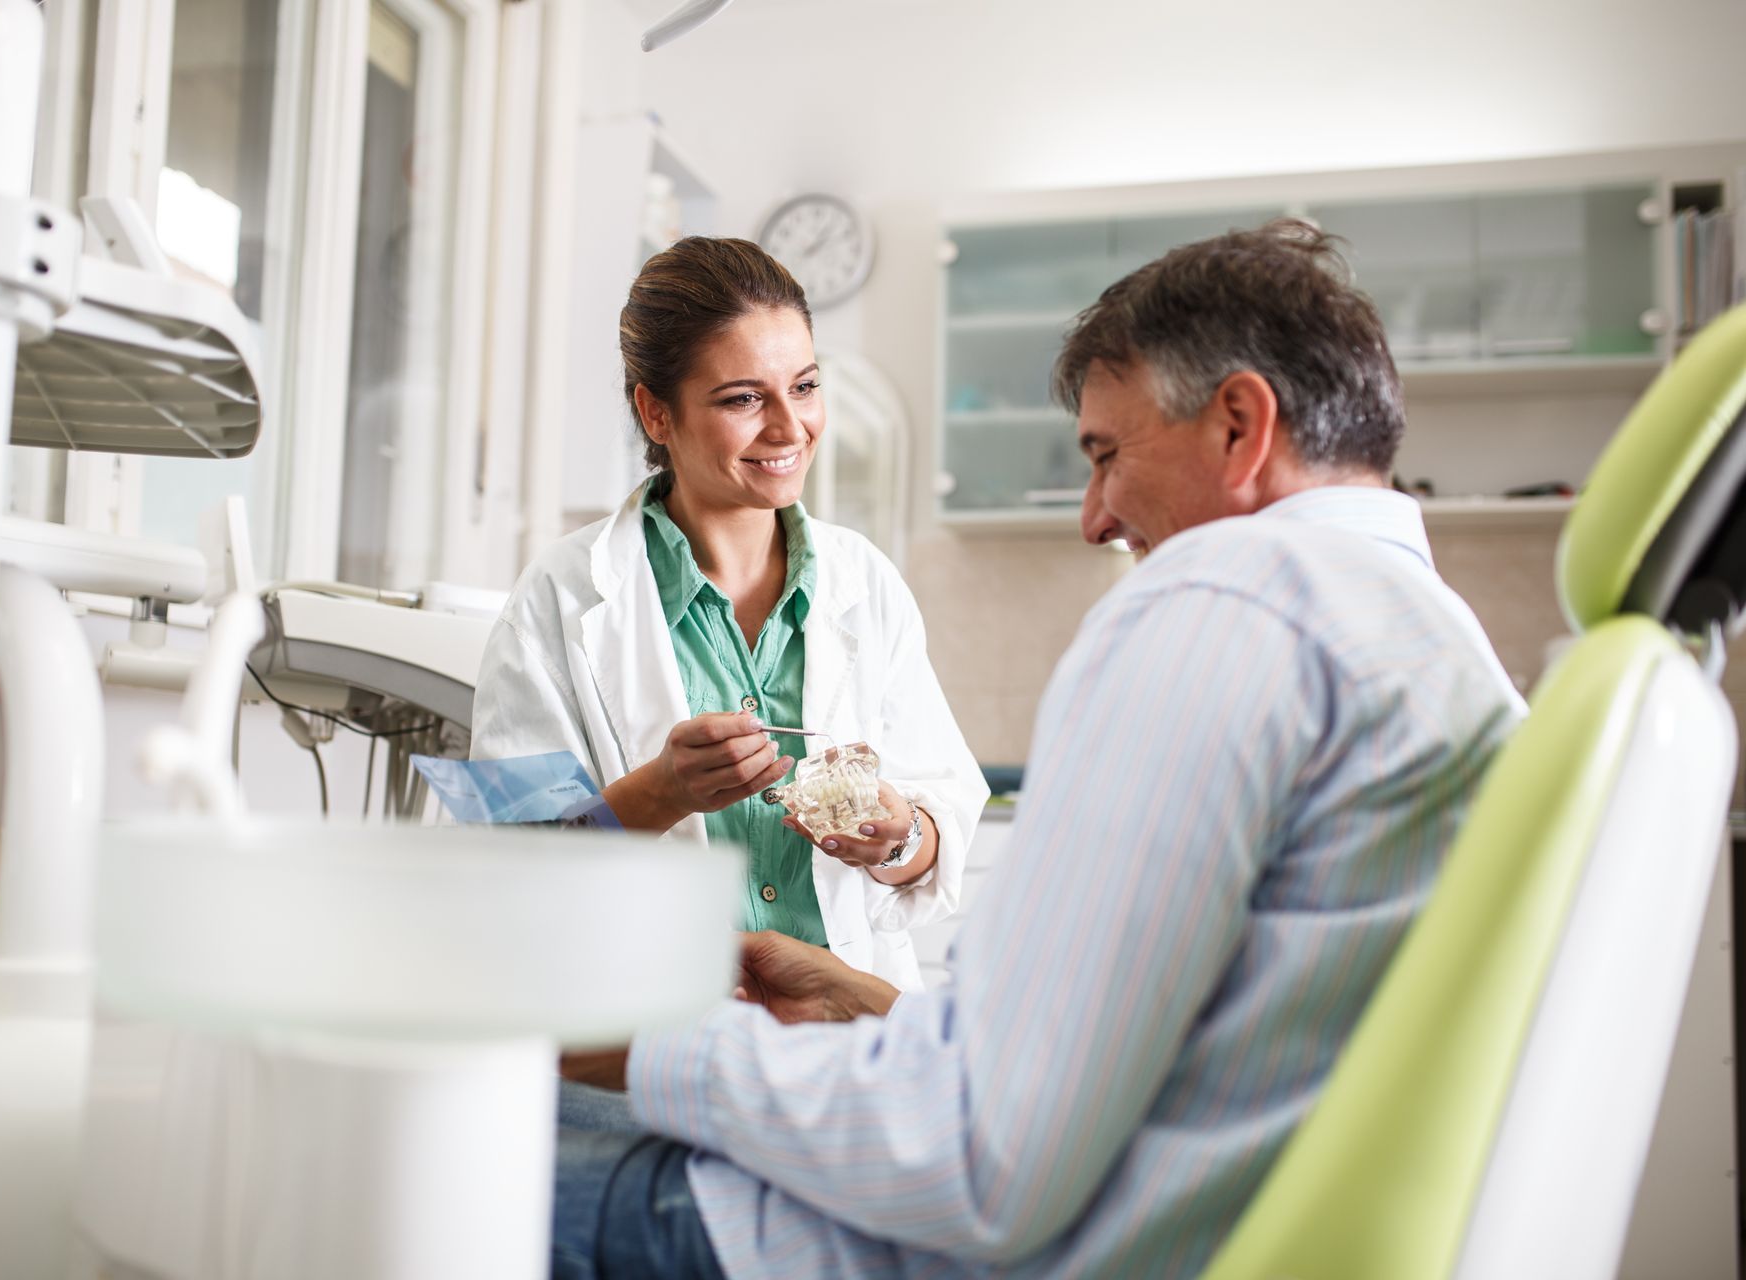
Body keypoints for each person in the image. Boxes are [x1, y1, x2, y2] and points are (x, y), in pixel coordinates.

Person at [548, 220, 1528, 1278]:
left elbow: (978, 1155)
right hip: (1047, 1166)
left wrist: (660, 1046)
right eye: (744, 395)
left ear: (1240, 424)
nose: (1093, 516)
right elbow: (1142, 1055)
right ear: (660, 414)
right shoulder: (1434, 638)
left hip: (904, 1232)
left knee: (433, 1155)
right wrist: (861, 996)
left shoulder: (1223, 603)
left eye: (1107, 452)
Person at [471, 236, 986, 990]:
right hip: (645, 1045)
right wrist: (660, 792)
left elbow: (945, 823)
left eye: (805, 387)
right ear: (655, 412)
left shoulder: (865, 585)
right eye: (744, 398)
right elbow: (503, 873)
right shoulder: (559, 597)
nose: (789, 427)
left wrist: (898, 834)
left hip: (839, 1048)